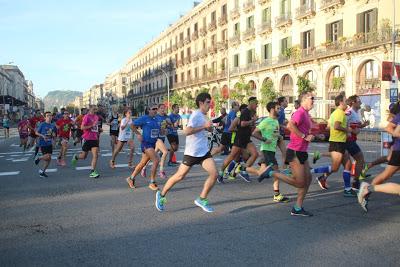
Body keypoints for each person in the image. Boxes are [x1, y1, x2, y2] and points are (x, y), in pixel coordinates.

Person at [155, 92, 218, 212]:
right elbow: (187, 131)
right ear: (201, 103)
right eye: (208, 102)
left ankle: (202, 199)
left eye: (210, 102)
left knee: (214, 174)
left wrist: (209, 127)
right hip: (192, 153)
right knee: (179, 176)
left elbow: (206, 128)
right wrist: (204, 127)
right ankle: (161, 195)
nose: (210, 105)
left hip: (203, 152)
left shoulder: (204, 115)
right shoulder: (196, 115)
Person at [259, 92, 316, 216]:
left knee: (308, 179)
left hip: (302, 151)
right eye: (312, 98)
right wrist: (304, 136)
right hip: (295, 151)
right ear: (304, 99)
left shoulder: (306, 113)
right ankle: (271, 172)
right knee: (300, 182)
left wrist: (314, 135)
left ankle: (297, 208)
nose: (314, 100)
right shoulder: (300, 112)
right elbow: (290, 125)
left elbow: (304, 129)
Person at [357, 102, 400, 212]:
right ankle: (367, 189)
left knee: (386, 175)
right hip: (398, 150)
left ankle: (367, 190)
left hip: (396, 150)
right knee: (386, 175)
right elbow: (391, 129)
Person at [313, 94, 357, 197]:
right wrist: (348, 130)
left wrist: (345, 132)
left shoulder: (335, 113)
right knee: (335, 168)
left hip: (339, 142)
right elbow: (337, 126)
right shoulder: (340, 113)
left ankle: (347, 189)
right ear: (341, 102)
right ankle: (311, 171)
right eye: (346, 101)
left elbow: (329, 127)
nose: (347, 103)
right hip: (337, 143)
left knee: (348, 165)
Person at [246, 101, 289, 203]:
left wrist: (279, 136)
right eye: (278, 108)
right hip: (266, 150)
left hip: (271, 150)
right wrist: (265, 139)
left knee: (262, 172)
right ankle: (277, 195)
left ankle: (242, 167)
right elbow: (254, 133)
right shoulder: (266, 121)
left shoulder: (275, 122)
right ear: (272, 109)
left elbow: (275, 135)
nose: (280, 110)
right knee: (276, 172)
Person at [218, 97, 259, 183]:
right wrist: (252, 121)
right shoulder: (245, 112)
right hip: (240, 139)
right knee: (232, 156)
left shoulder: (250, 113)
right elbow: (242, 124)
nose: (257, 106)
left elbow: (250, 127)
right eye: (256, 104)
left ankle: (243, 170)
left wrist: (254, 125)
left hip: (246, 139)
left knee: (255, 154)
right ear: (251, 103)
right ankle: (221, 173)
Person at [126, 103, 161, 191]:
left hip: (153, 144)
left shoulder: (156, 119)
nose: (155, 110)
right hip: (146, 143)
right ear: (149, 110)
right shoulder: (144, 118)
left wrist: (164, 131)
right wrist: (138, 134)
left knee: (143, 163)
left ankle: (131, 178)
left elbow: (158, 131)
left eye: (156, 109)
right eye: (153, 109)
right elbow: (132, 125)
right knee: (156, 160)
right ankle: (152, 182)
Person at [345, 95, 370, 189]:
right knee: (360, 159)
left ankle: (324, 177)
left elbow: (356, 127)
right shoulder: (349, 112)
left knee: (339, 163)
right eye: (358, 101)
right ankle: (355, 182)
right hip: (348, 141)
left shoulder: (356, 112)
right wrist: (351, 130)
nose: (360, 103)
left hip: (351, 140)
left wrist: (363, 125)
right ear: (353, 103)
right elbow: (341, 124)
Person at [71, 106, 101, 178]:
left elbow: (95, 127)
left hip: (94, 138)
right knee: (84, 156)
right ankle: (76, 157)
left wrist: (99, 129)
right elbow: (82, 127)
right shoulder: (86, 117)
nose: (95, 110)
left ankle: (92, 171)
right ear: (90, 109)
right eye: (94, 109)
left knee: (95, 155)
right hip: (87, 138)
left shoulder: (96, 117)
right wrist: (91, 126)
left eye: (96, 109)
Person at [142, 104, 170, 179]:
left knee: (151, 156)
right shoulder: (156, 117)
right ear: (158, 109)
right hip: (157, 139)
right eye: (161, 108)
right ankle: (161, 171)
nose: (163, 110)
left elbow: (166, 130)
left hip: (162, 137)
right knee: (165, 152)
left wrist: (167, 129)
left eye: (164, 108)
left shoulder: (166, 118)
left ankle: (144, 168)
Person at [34, 112, 57, 178]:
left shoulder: (52, 125)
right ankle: (38, 158)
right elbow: (36, 132)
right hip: (43, 143)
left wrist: (54, 139)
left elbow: (53, 134)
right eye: (47, 116)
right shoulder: (42, 124)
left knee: (49, 159)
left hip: (49, 143)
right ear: (45, 117)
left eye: (50, 116)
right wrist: (43, 136)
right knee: (47, 156)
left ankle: (42, 171)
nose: (49, 117)